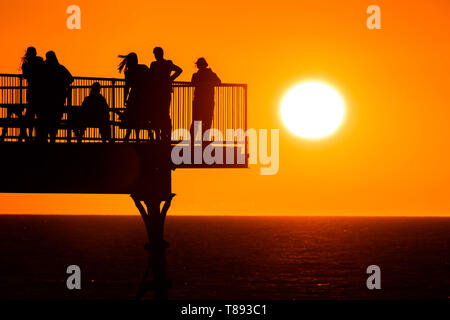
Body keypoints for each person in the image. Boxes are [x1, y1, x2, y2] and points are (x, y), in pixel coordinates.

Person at [149, 47, 182, 141]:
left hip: (161, 92)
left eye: (156, 53)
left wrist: (170, 79)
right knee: (161, 113)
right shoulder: (157, 64)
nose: (155, 55)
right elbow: (179, 70)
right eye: (155, 54)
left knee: (162, 113)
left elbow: (179, 70)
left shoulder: (164, 63)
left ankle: (163, 134)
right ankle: (162, 134)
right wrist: (169, 80)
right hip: (159, 92)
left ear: (161, 53)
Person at [41, 51, 73, 143]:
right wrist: (63, 84)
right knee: (55, 120)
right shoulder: (60, 68)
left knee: (47, 119)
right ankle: (52, 139)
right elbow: (71, 79)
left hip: (47, 99)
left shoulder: (45, 69)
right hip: (59, 98)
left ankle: (47, 139)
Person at [118, 53, 150, 142]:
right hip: (143, 96)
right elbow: (150, 79)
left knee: (132, 117)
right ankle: (137, 136)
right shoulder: (143, 68)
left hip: (134, 96)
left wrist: (125, 98)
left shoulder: (128, 72)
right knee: (140, 117)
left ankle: (129, 136)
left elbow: (127, 86)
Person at [190, 58, 221, 140]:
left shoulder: (205, 74)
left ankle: (196, 139)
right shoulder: (210, 74)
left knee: (199, 120)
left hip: (201, 101)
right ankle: (203, 139)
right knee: (206, 120)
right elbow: (218, 82)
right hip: (206, 101)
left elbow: (218, 82)